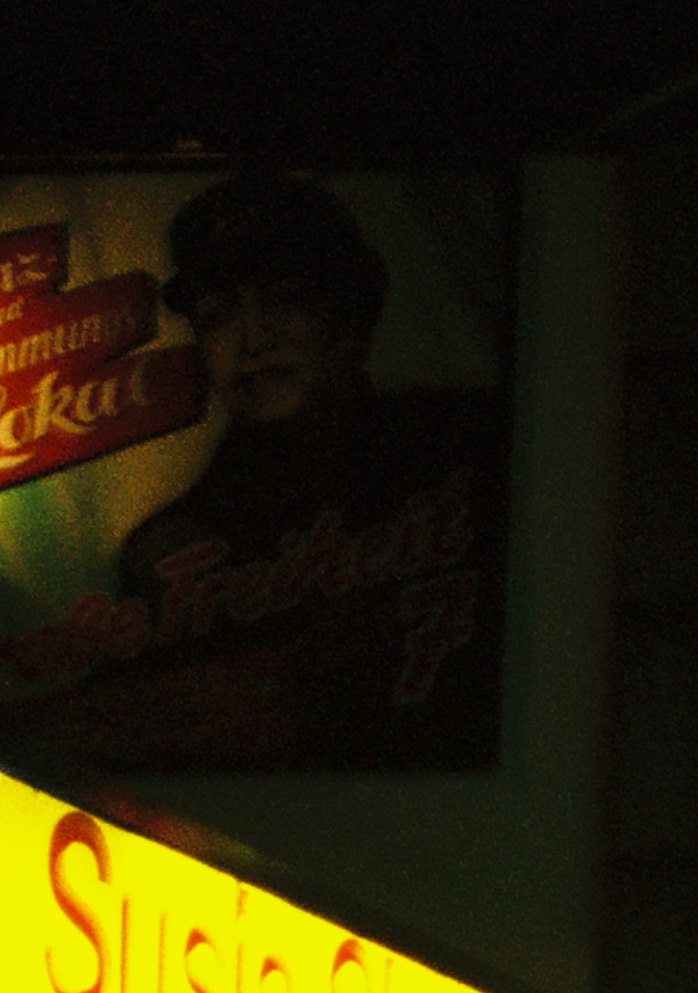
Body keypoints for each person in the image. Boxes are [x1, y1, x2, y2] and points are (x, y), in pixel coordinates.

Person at [87, 171, 506, 770]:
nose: (254, 338)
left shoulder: (475, 446)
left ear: (352, 314)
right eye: (217, 315)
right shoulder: (169, 552)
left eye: (287, 298)